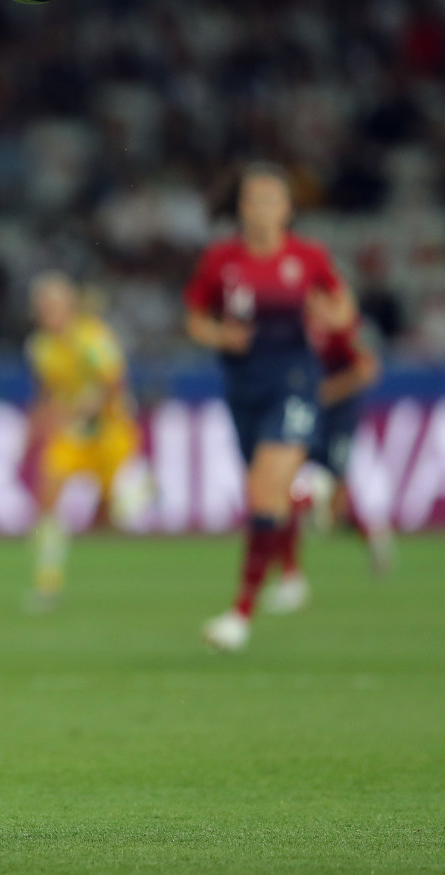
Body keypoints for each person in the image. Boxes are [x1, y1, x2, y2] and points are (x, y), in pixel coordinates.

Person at [185, 163, 351, 652]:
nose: (261, 208)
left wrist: (331, 314)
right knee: (268, 498)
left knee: (261, 491)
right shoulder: (220, 261)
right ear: (241, 208)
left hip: (295, 380)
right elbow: (195, 318)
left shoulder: (308, 256)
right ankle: (305, 502)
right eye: (252, 199)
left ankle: (239, 614)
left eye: (270, 199)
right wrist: (219, 335)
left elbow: (342, 309)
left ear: (287, 208)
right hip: (244, 386)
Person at [23, 272, 142, 610]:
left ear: (70, 306)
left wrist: (86, 407)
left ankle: (146, 489)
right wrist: (36, 426)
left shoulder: (93, 338)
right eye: (42, 306)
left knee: (111, 517)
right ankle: (47, 585)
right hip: (72, 434)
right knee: (47, 503)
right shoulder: (40, 346)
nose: (47, 311)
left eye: (54, 304)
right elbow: (46, 392)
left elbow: (114, 383)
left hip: (109, 432)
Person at [279, 311, 391, 592]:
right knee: (285, 488)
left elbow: (368, 371)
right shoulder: (294, 326)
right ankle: (291, 576)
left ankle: (372, 538)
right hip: (307, 418)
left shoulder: (343, 329)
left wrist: (328, 392)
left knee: (334, 513)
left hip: (340, 421)